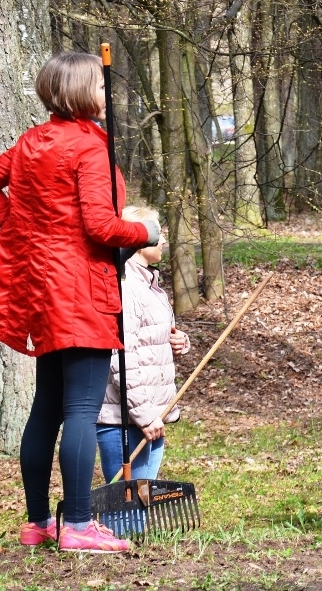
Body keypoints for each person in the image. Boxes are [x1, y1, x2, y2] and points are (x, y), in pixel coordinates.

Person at [0, 52, 159, 553]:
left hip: (41, 286)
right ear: (80, 92)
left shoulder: (33, 141)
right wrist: (145, 231)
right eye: (100, 86)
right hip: (80, 292)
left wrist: (22, 230)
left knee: (46, 409)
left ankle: (37, 523)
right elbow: (100, 226)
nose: (106, 94)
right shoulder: (88, 148)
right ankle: (76, 523)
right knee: (81, 409)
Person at [96, 206, 189, 482]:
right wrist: (144, 415)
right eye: (157, 233)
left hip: (151, 415)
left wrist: (177, 341)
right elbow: (121, 356)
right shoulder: (125, 287)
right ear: (137, 239)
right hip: (124, 420)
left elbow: (149, 340)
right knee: (125, 511)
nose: (163, 241)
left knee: (141, 508)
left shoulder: (149, 284)